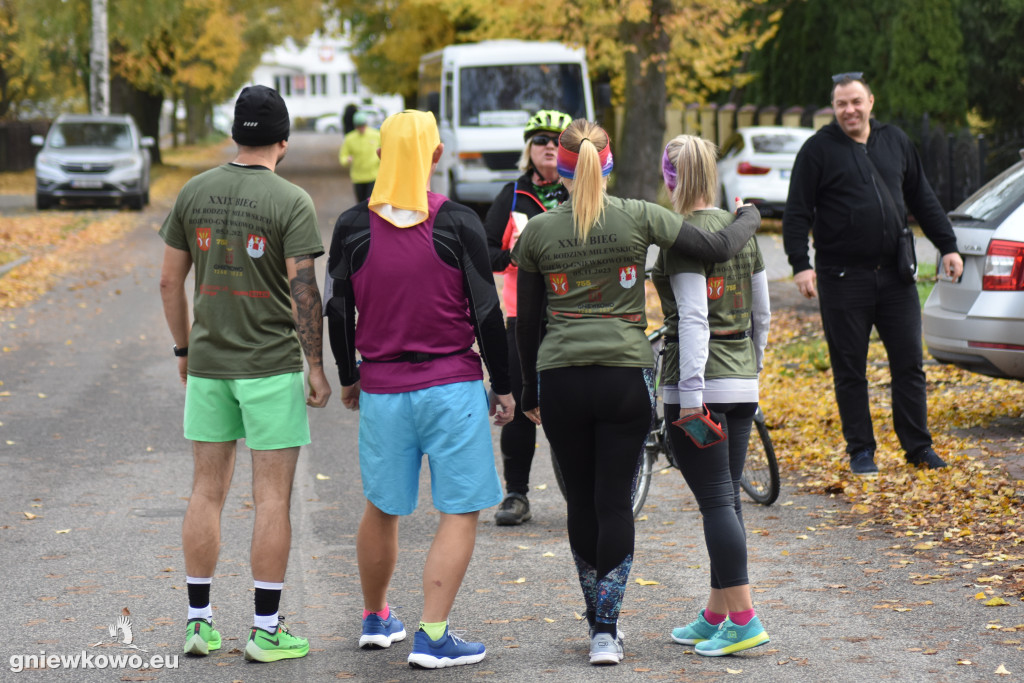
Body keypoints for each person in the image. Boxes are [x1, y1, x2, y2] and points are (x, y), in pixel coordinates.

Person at [512, 119, 762, 666]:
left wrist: (527, 389)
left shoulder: (536, 231)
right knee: (615, 502)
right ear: (609, 165)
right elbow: (718, 246)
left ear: (562, 168)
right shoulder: (641, 215)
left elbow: (525, 323)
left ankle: (598, 622)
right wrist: (751, 215)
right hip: (625, 378)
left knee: (580, 502)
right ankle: (608, 629)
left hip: (561, 379)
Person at [324, 110, 515, 669]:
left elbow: (339, 309)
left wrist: (349, 375)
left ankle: (377, 617)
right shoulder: (458, 223)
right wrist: (502, 385)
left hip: (383, 389)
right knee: (458, 509)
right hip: (451, 386)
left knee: (382, 505)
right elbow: (486, 311)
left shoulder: (352, 226)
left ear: (380, 155)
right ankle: (433, 634)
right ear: (435, 157)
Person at [158, 85, 331, 663]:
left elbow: (168, 282)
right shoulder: (291, 200)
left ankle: (198, 623)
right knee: (271, 498)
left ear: (235, 134)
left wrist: (184, 351)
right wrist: (315, 365)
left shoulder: (193, 191)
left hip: (209, 366)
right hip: (271, 365)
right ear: (282, 141)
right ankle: (264, 630)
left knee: (206, 491)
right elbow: (304, 287)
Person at [782, 72, 963, 476]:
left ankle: (918, 448)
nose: (850, 110)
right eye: (842, 104)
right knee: (850, 370)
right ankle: (861, 450)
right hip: (843, 279)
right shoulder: (817, 151)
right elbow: (796, 213)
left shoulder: (895, 141)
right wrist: (800, 264)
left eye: (856, 102)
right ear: (834, 108)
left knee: (909, 367)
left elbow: (923, 197)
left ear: (870, 102)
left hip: (896, 277)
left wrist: (947, 245)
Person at [652, 135, 771, 656]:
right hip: (741, 377)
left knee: (718, 502)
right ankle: (717, 612)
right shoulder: (742, 227)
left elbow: (694, 317)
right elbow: (761, 314)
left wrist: (693, 395)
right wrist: (753, 369)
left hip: (699, 384)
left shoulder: (683, 238)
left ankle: (743, 620)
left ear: (671, 178)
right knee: (725, 502)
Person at [484, 109, 572, 526]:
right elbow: (483, 252)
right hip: (522, 318)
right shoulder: (513, 195)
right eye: (540, 140)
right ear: (528, 149)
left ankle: (581, 494)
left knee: (572, 407)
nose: (550, 146)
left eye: (558, 139)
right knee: (520, 407)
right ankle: (516, 495)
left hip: (574, 315)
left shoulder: (582, 193)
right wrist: (514, 256)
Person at [339, 110, 381, 203]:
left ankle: (370, 218)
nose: (361, 128)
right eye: (359, 126)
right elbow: (343, 157)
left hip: (373, 176)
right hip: (358, 178)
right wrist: (347, 160)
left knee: (370, 203)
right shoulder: (350, 138)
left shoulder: (376, 135)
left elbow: (385, 151)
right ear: (355, 126)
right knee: (360, 204)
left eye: (363, 125)